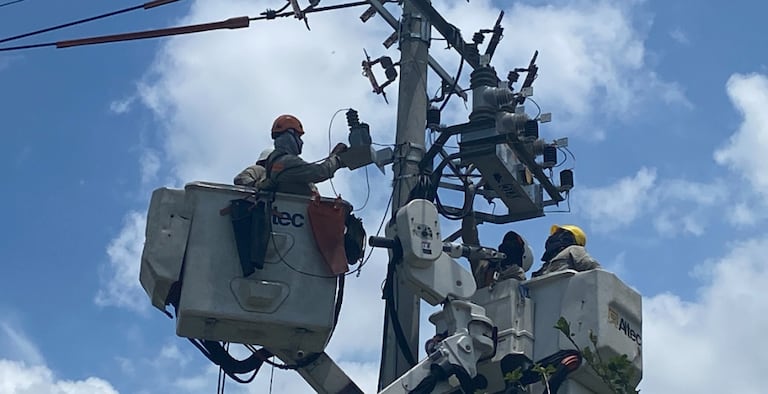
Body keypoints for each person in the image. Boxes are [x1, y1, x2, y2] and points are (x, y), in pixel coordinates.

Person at [260, 114, 347, 195]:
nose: (301, 142)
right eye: (298, 137)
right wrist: (336, 159)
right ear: (290, 135)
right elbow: (321, 172)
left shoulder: (272, 161)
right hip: (293, 208)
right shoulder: (287, 161)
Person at [531, 224, 600, 278]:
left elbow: (595, 269)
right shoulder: (546, 265)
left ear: (569, 236)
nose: (552, 237)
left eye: (558, 233)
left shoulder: (574, 249)